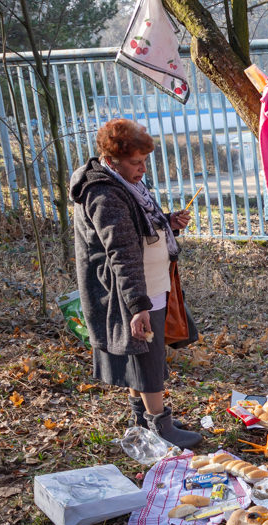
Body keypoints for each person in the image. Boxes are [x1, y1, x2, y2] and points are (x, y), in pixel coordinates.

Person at [70, 118, 201, 448]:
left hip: (149, 283)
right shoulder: (104, 193)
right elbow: (122, 252)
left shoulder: (124, 183)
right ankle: (160, 427)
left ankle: (142, 420)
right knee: (146, 357)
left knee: (140, 354)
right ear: (112, 159)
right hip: (130, 290)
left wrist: (168, 223)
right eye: (135, 162)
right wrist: (137, 306)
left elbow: (139, 228)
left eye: (144, 161)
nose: (142, 169)